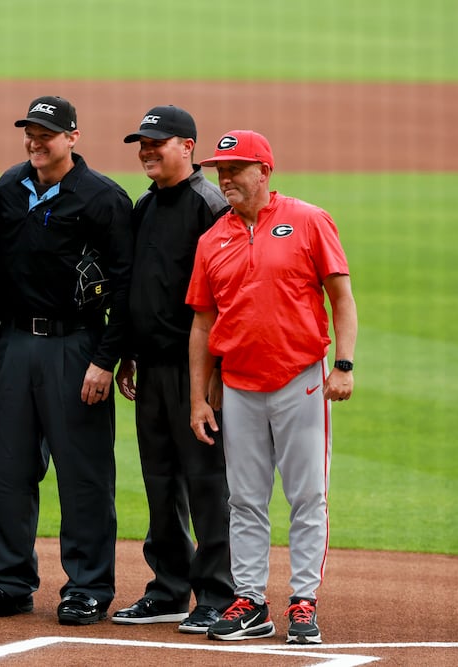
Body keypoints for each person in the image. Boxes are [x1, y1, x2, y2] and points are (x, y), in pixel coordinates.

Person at [0, 96, 133, 626]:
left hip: (76, 346)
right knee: (9, 471)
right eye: (30, 133)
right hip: (14, 345)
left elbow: (126, 290)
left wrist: (107, 359)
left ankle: (87, 586)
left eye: (48, 134)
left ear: (73, 137)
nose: (36, 142)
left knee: (83, 474)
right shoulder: (9, 188)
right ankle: (9, 581)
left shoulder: (104, 199)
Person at [186, 130, 357, 644]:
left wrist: (343, 364)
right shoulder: (212, 238)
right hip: (238, 385)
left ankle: (303, 602)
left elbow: (341, 298)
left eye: (236, 168)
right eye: (220, 169)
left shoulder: (309, 220)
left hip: (300, 379)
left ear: (265, 171)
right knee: (245, 500)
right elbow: (202, 324)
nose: (225, 178)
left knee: (307, 496)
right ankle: (251, 602)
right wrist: (199, 395)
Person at [110, 106, 235, 633]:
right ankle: (167, 589)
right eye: (142, 142)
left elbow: (227, 296)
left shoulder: (209, 206)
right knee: (160, 480)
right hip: (153, 367)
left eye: (157, 142)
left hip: (195, 371)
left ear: (187, 146)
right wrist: (129, 354)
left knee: (206, 483)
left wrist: (211, 380)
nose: (146, 150)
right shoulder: (146, 205)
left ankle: (215, 593)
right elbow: (143, 287)